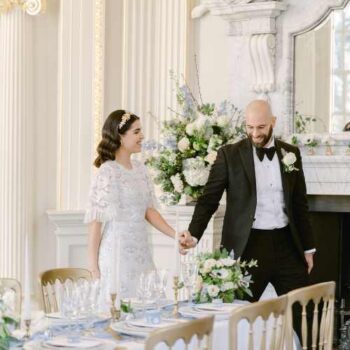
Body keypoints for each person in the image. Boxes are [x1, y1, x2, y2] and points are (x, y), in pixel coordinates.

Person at [184, 99, 316, 302]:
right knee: (238, 315)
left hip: (287, 244)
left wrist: (307, 248)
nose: (255, 134)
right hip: (247, 246)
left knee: (303, 312)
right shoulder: (229, 155)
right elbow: (209, 199)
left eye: (261, 127)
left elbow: (300, 204)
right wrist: (193, 234)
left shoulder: (291, 153)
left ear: (273, 121)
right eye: (250, 127)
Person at [85, 109, 187, 299]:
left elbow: (149, 211)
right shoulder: (108, 172)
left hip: (141, 250)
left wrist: (175, 235)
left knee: (146, 304)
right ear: (120, 136)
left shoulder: (140, 169)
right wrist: (93, 268)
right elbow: (95, 223)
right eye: (137, 131)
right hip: (116, 252)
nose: (143, 136)